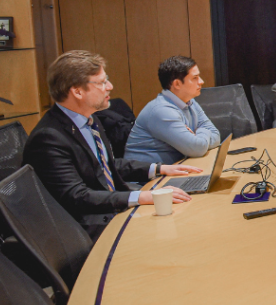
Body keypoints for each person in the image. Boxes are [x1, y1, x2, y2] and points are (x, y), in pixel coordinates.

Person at [22, 51, 202, 240]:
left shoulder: (89, 120)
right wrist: (143, 197)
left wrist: (159, 169)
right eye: (101, 82)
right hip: (84, 227)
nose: (110, 87)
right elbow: (77, 196)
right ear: (77, 91)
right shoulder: (49, 138)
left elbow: (104, 166)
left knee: (185, 214)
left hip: (108, 208)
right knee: (175, 231)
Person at [124, 56, 221, 164]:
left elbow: (216, 135)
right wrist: (203, 132)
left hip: (177, 166)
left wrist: (198, 136)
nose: (201, 81)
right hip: (148, 173)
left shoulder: (190, 101)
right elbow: (197, 149)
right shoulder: (162, 111)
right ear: (177, 84)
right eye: (195, 78)